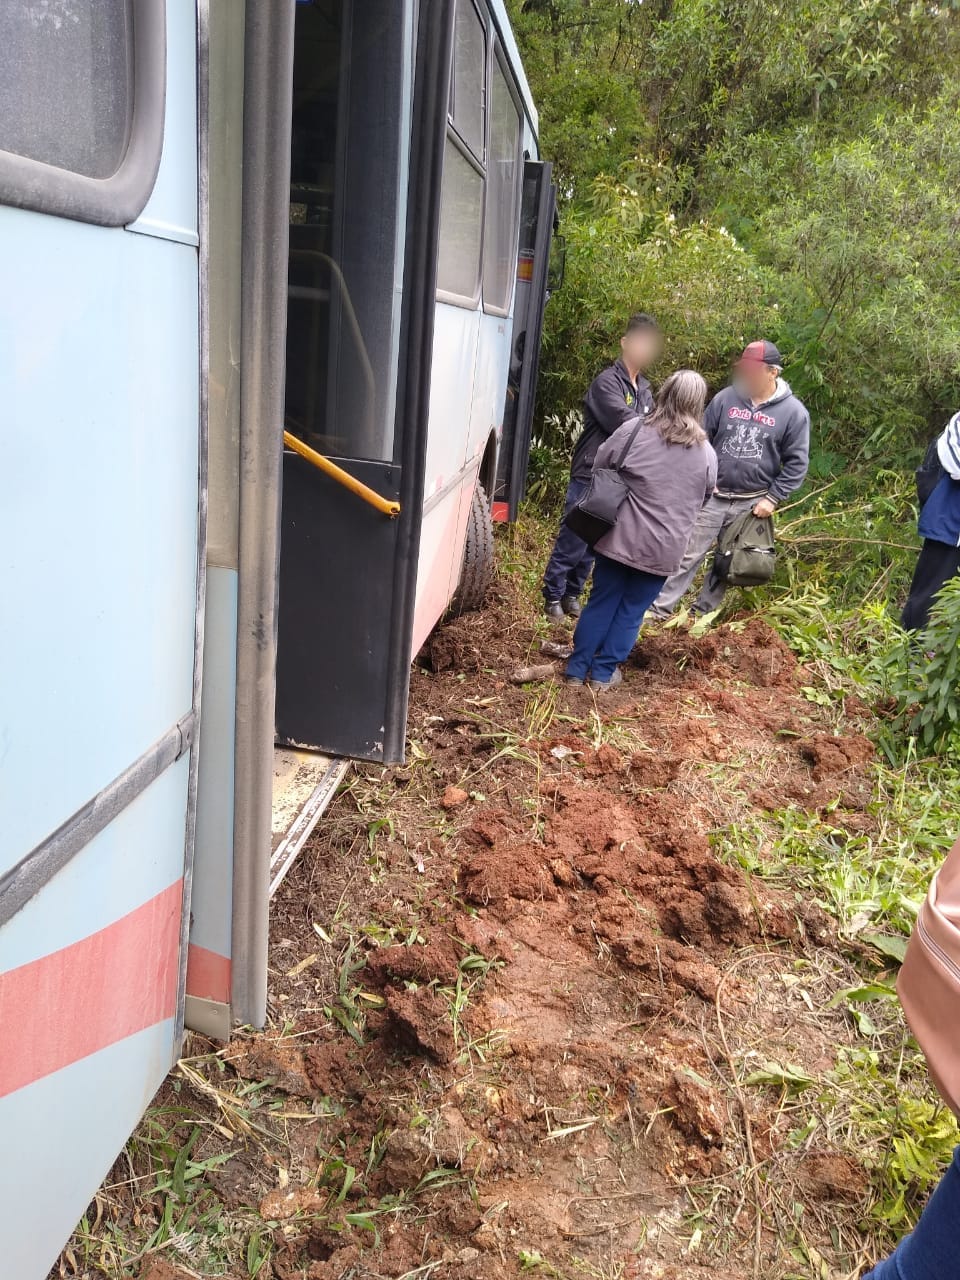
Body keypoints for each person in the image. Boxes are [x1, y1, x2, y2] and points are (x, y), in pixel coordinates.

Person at [564, 370, 717, 691]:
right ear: (698, 404)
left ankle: (576, 671)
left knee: (601, 601)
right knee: (632, 612)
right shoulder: (706, 454)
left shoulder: (634, 430)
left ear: (666, 394)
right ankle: (603, 675)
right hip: (664, 550)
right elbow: (705, 497)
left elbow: (601, 464)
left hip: (618, 538)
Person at [647, 340, 810, 621]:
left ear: (773, 372)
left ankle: (700, 616)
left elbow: (797, 463)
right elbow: (700, 438)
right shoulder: (725, 399)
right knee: (687, 554)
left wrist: (772, 498)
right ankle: (659, 611)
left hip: (751, 503)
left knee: (727, 562)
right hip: (712, 496)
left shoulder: (793, 413)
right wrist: (701, 478)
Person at [543, 313, 662, 620]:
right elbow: (624, 423)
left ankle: (572, 594)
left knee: (596, 542)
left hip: (622, 478)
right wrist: (651, 430)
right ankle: (553, 595)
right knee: (574, 535)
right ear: (625, 343)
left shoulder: (646, 390)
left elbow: (650, 427)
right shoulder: (607, 382)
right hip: (590, 472)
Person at [902, 412, 960, 631]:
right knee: (929, 593)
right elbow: (956, 463)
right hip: (951, 526)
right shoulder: (958, 424)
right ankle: (911, 650)